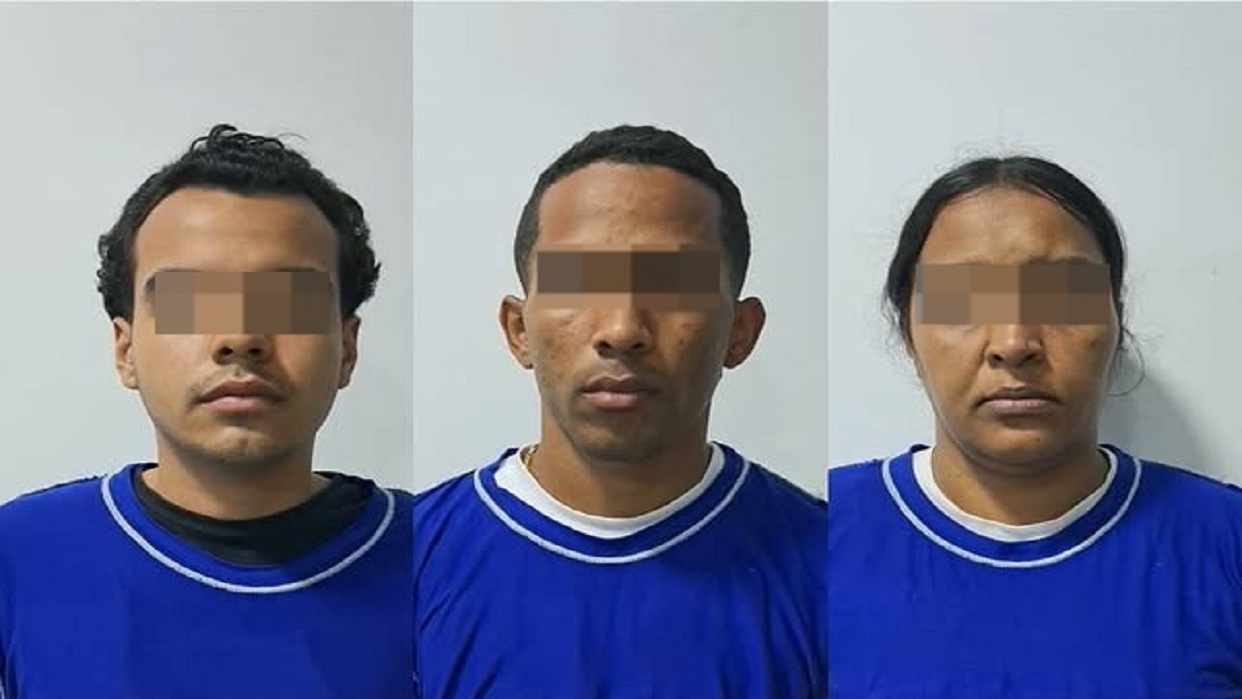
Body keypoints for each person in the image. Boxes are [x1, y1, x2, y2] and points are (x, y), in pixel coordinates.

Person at [0, 124, 414, 698]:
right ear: (125, 350)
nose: (240, 337)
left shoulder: (443, 559)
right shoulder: (20, 557)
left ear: (346, 348)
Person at [412, 124, 825, 698]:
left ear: (740, 331)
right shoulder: (406, 564)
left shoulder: (833, 575)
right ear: (518, 330)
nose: (622, 329)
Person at [827, 155, 1242, 697]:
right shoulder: (814, 539)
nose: (1014, 343)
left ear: (1115, 323)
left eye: (1062, 295)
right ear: (908, 333)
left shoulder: (1225, 540)